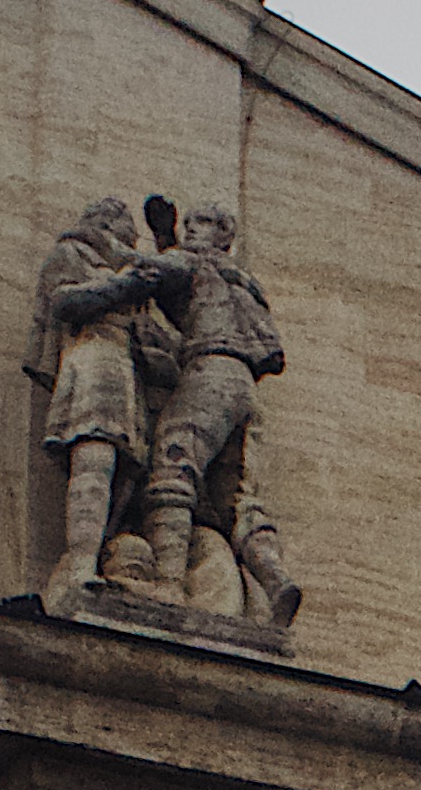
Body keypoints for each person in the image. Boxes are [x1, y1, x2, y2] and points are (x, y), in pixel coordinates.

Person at [111, 201, 300, 629]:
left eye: (203, 224)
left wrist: (106, 255)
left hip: (209, 370)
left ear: (223, 236)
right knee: (235, 498)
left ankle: (169, 582)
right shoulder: (243, 281)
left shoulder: (193, 263)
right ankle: (276, 581)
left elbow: (152, 274)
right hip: (246, 387)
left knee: (173, 468)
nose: (193, 230)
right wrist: (165, 238)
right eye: (191, 223)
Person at [23, 198, 175, 614]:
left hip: (125, 367)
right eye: (124, 230)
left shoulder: (128, 267)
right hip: (91, 357)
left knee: (126, 474)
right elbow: (65, 303)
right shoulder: (74, 251)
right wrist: (122, 286)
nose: (129, 238)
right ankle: (81, 565)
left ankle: (100, 555)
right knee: (95, 456)